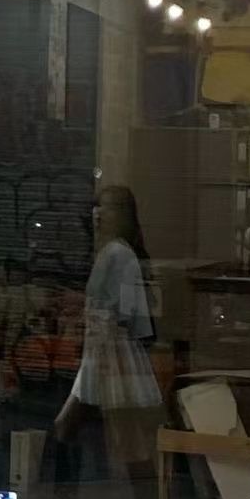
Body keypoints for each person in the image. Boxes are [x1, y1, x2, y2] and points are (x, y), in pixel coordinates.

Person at [55, 183, 161, 470]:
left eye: (107, 207)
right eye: (97, 206)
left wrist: (89, 313)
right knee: (117, 437)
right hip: (102, 355)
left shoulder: (117, 254)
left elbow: (125, 310)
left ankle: (65, 487)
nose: (98, 214)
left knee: (121, 437)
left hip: (109, 355)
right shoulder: (113, 252)